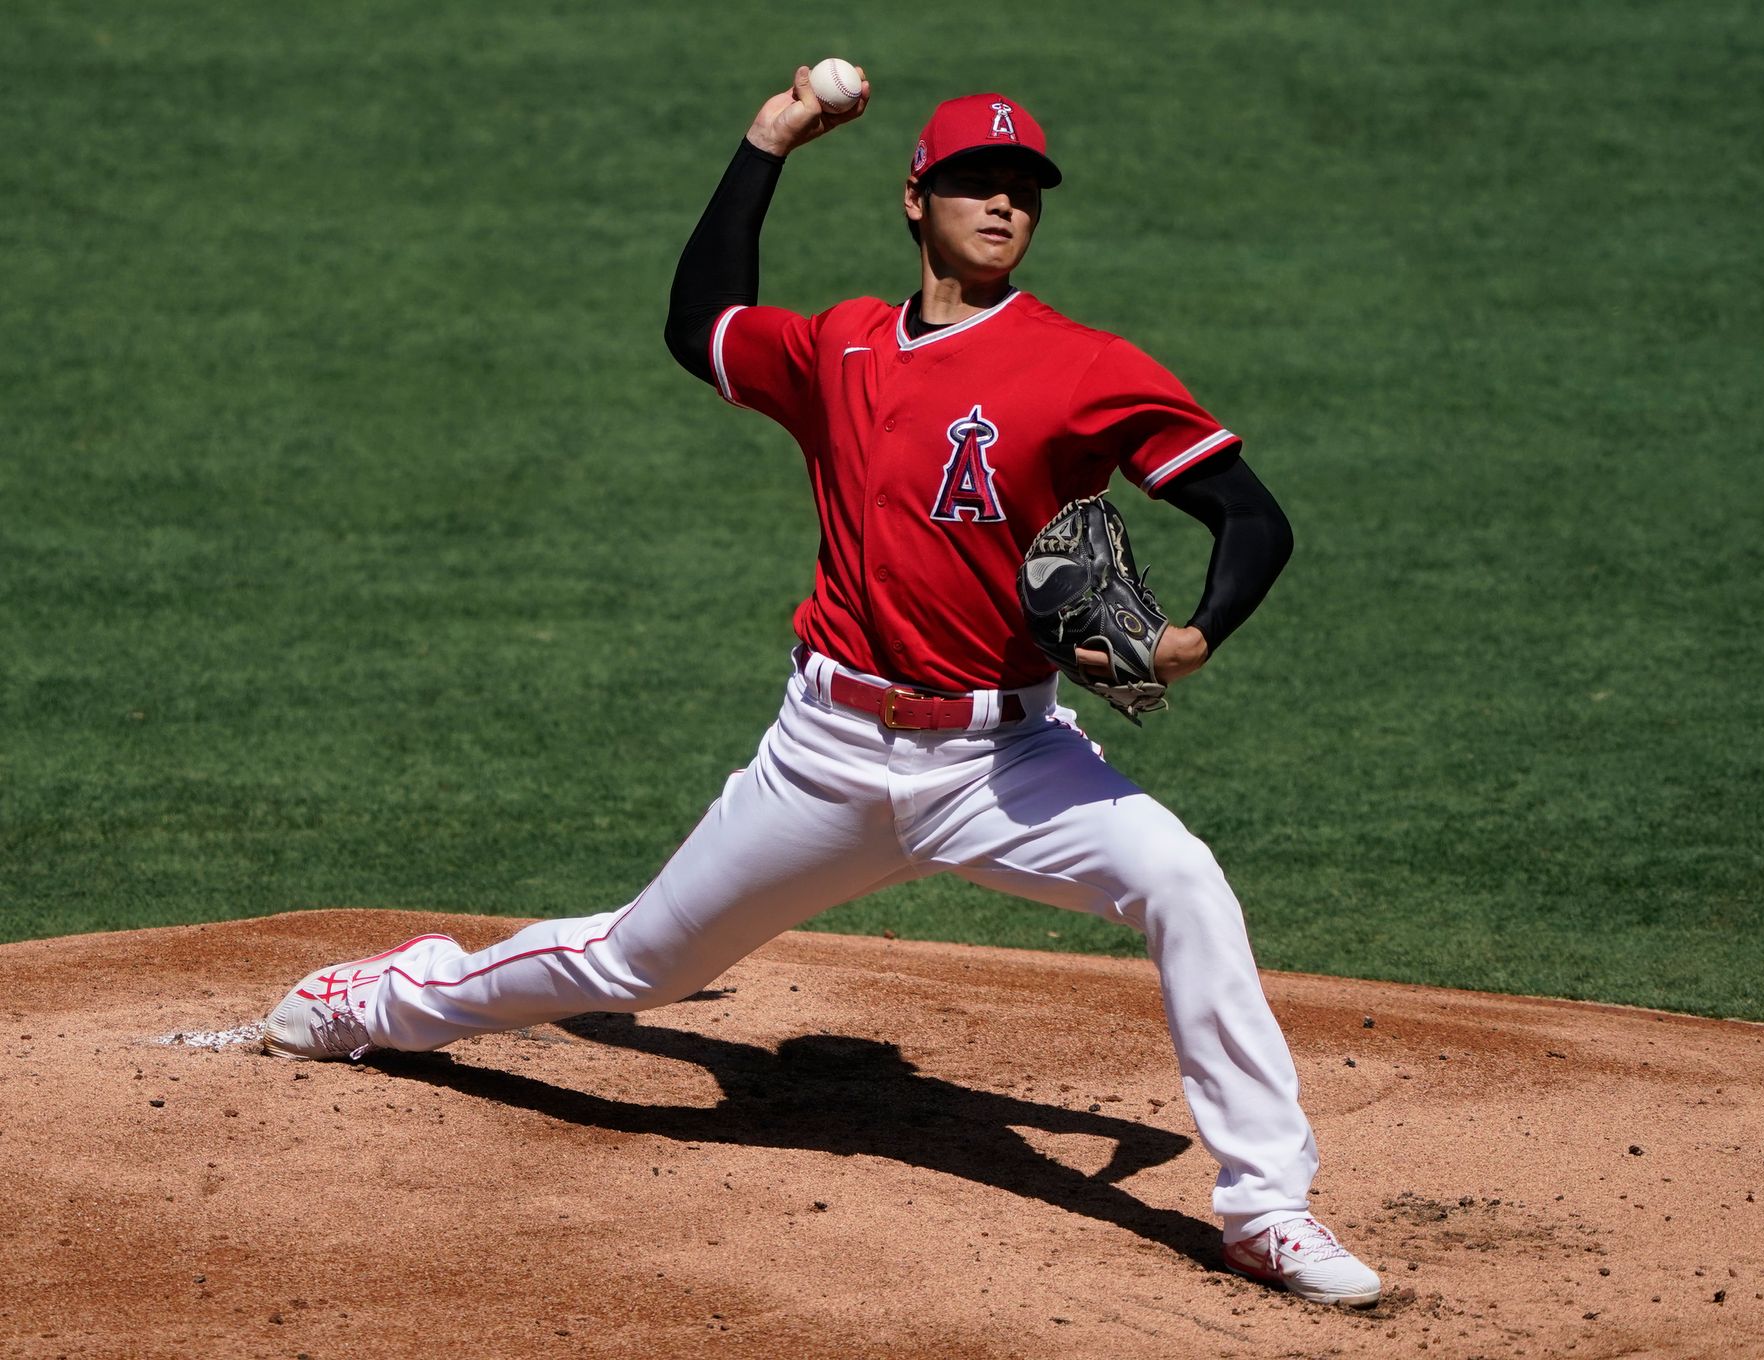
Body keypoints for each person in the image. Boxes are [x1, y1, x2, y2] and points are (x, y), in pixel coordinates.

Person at [260, 66, 1380, 1307]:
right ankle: (378, 998)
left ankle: (1266, 1209)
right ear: (918, 198)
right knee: (635, 968)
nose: (1002, 203)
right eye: (974, 182)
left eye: (1024, 189)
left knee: (1185, 882)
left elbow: (1250, 513)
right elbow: (700, 326)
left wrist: (1196, 635)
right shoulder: (841, 344)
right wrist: (768, 141)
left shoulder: (1082, 367)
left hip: (1003, 763)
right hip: (826, 755)